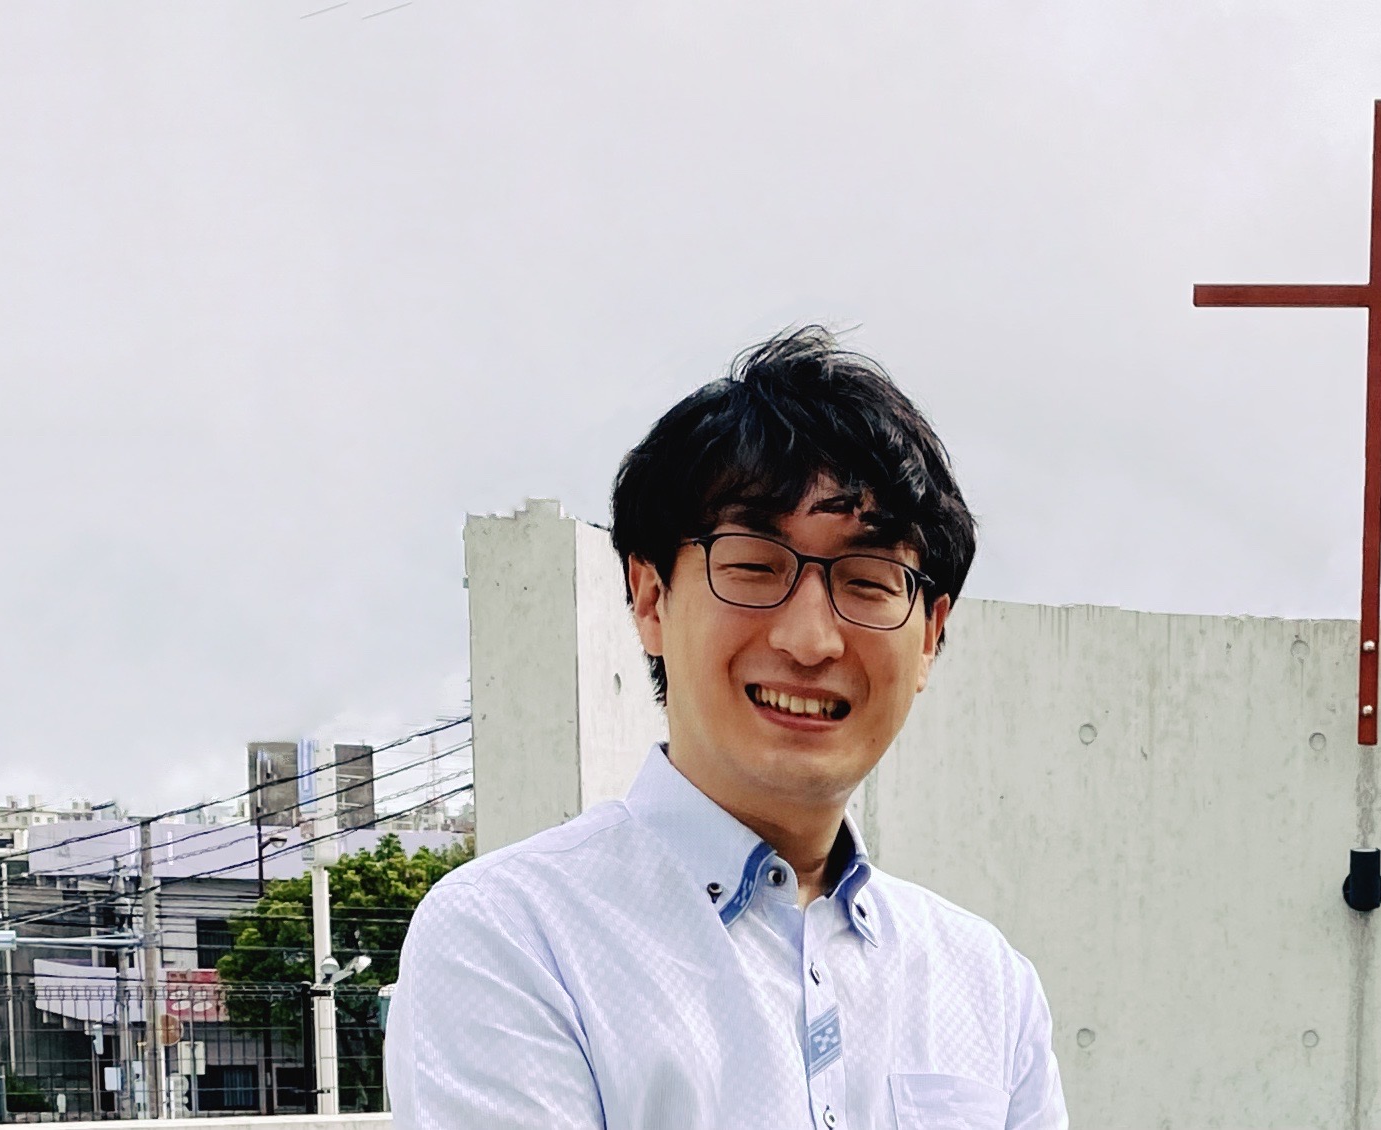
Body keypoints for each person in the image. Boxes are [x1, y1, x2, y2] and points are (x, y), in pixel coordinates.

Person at [386, 326, 1068, 1128]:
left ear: (928, 636)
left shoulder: (989, 985)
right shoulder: (512, 939)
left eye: (869, 579)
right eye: (752, 565)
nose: (810, 640)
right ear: (650, 599)